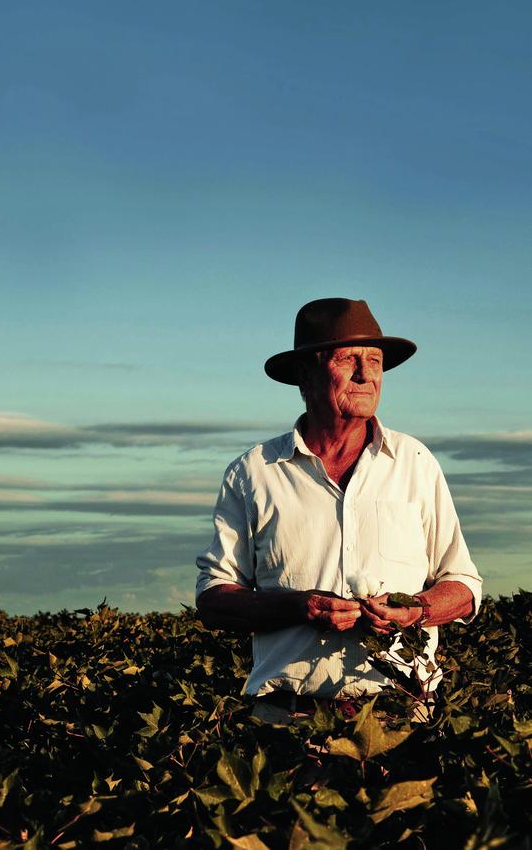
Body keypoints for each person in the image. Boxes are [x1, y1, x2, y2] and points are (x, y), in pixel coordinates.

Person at [195, 297, 482, 724]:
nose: (367, 375)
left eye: (376, 361)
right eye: (349, 359)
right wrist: (299, 607)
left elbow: (463, 586)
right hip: (288, 721)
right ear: (304, 374)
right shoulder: (253, 472)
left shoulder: (415, 462)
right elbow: (214, 599)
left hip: (402, 718)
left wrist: (416, 610)